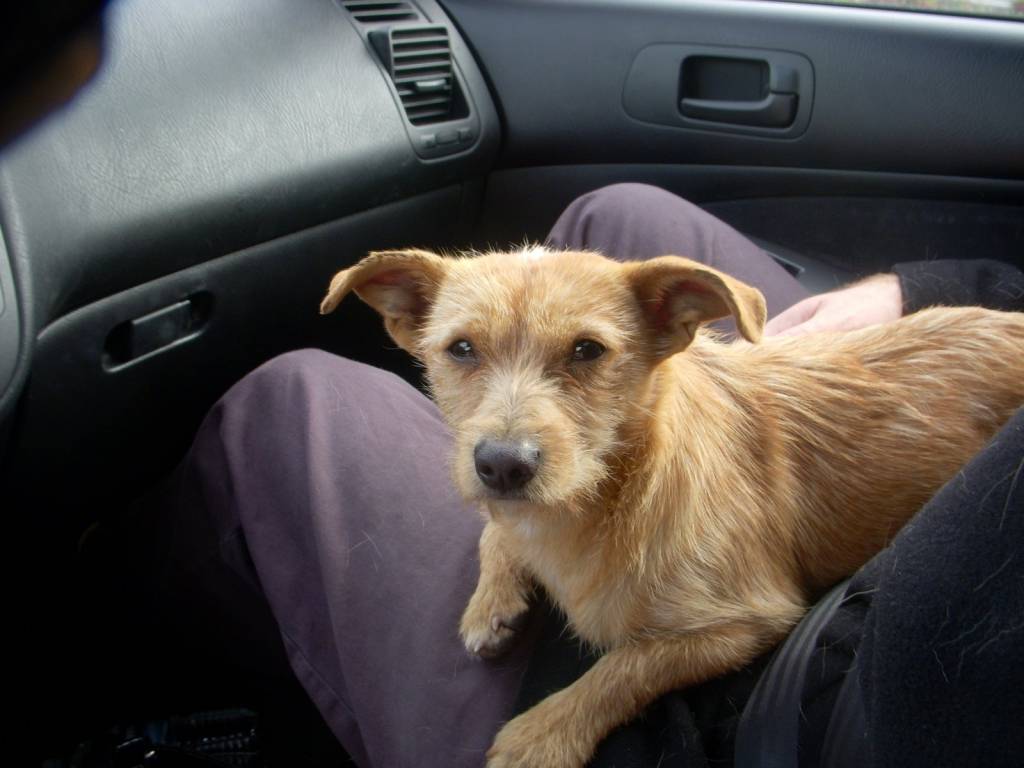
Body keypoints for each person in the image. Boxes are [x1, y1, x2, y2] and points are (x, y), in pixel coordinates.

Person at [152, 184, 1024, 768]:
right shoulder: (541, 379)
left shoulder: (682, 547)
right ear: (409, 324)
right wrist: (927, 283)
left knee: (285, 399)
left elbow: (750, 617)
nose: (506, 436)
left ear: (673, 324)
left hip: (842, 687)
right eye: (462, 351)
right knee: (612, 208)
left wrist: (587, 705)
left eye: (585, 355)